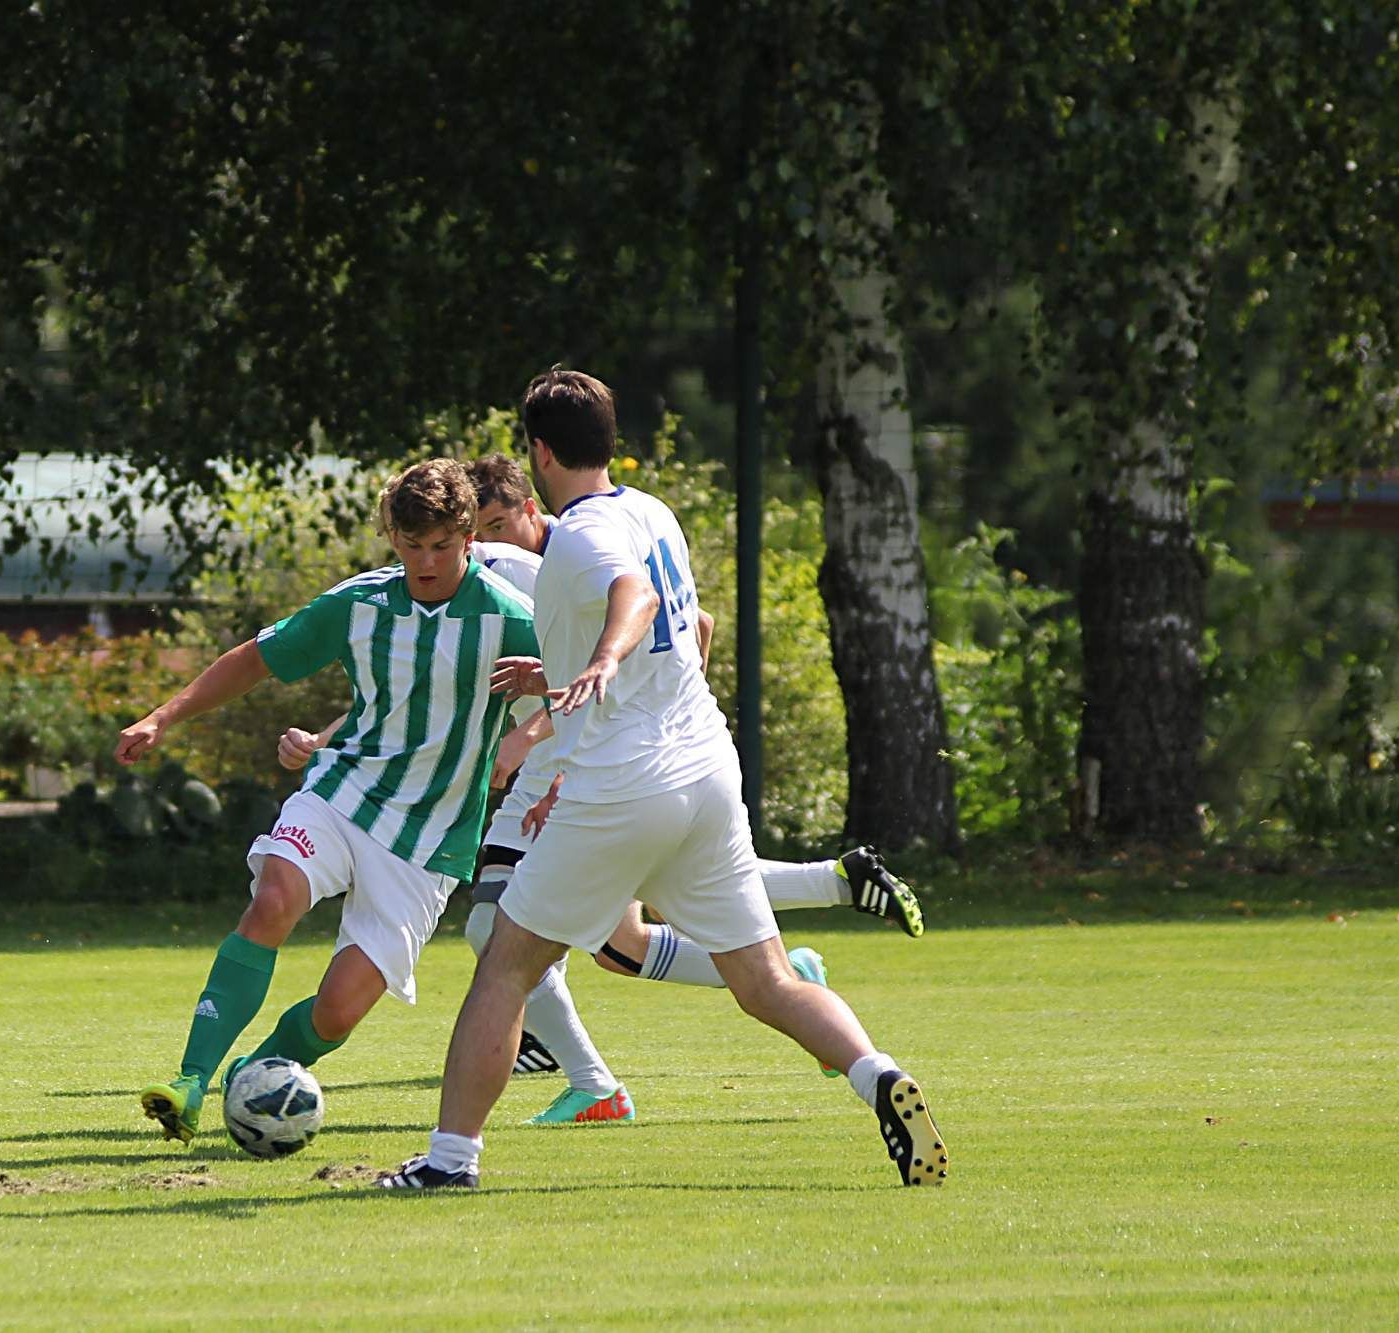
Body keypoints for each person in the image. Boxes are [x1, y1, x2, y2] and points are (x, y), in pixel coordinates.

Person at [379, 369, 948, 1189]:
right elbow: (676, 630)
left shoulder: (581, 534)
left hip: (624, 784)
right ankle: (879, 1073)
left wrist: (602, 659)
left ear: (541, 453)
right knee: (766, 979)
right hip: (705, 772)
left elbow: (635, 597)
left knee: (503, 962)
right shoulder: (653, 510)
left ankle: (448, 1160)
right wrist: (560, 674)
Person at [468, 453, 925, 1085]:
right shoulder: (634, 513)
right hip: (658, 763)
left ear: (529, 502)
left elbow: (640, 636)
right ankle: (836, 897)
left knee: (514, 940)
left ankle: (573, 1085)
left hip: (609, 770)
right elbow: (680, 633)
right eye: (478, 532)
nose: (487, 542)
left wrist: (551, 731)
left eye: (495, 525)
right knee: (637, 941)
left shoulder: (557, 553)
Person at [119, 458, 537, 1145]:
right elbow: (255, 658)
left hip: (429, 839)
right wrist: (163, 717)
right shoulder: (360, 603)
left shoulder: (510, 617)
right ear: (392, 537)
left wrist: (537, 744)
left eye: (441, 545)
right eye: (411, 545)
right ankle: (190, 1081)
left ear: (469, 538)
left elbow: (585, 688)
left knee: (338, 1013)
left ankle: (253, 1078)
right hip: (344, 792)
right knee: (273, 899)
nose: (426, 562)